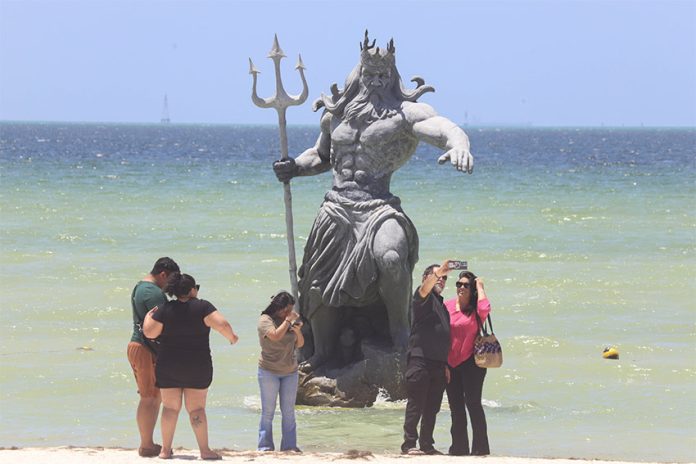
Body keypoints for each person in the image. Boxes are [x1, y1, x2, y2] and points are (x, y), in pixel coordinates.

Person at [273, 31, 475, 371]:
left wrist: (459, 143)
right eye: (371, 75)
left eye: (384, 76)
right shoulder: (336, 114)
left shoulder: (405, 114)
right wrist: (294, 166)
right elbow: (321, 156)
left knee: (391, 255)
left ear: (393, 77)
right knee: (317, 285)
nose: (377, 82)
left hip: (378, 207)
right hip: (336, 208)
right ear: (359, 75)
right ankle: (322, 352)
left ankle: (400, 336)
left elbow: (440, 127)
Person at [143, 273, 239, 460]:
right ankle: (204, 451)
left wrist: (148, 317)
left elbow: (149, 333)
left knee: (170, 408)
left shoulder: (165, 309)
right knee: (196, 410)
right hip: (197, 366)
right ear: (192, 289)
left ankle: (164, 451)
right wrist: (232, 338)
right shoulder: (203, 307)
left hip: (169, 366)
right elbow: (223, 324)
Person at [401, 261, 455, 455]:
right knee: (416, 404)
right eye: (437, 276)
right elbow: (425, 289)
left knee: (432, 408)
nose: (441, 280)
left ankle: (426, 445)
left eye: (444, 278)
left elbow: (443, 337)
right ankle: (409, 445)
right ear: (426, 278)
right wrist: (438, 272)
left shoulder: (441, 305)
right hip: (420, 361)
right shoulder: (421, 298)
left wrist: (446, 364)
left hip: (438, 364)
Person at [127, 256, 179, 458]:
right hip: (145, 348)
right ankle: (146, 445)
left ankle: (147, 443)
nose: (169, 287)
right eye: (170, 281)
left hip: (140, 346)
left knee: (151, 396)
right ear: (163, 274)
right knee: (150, 397)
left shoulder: (141, 287)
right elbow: (161, 323)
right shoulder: (153, 292)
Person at [445, 271, 491, 455]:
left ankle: (480, 449)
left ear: (471, 290)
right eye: (459, 284)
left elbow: (485, 307)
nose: (461, 288)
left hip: (472, 363)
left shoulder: (476, 311)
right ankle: (459, 448)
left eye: (465, 285)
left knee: (473, 404)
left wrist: (480, 287)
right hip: (450, 363)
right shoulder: (447, 306)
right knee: (455, 407)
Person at [257, 291, 304, 452]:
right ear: (279, 307)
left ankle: (289, 446)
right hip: (269, 371)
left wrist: (297, 330)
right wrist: (288, 321)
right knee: (268, 411)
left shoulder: (288, 321)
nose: (288, 313)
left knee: (289, 412)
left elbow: (300, 344)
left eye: (290, 310)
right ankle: (265, 446)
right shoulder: (265, 320)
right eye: (287, 309)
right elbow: (275, 336)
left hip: (290, 371)